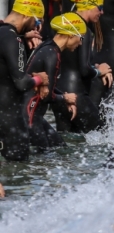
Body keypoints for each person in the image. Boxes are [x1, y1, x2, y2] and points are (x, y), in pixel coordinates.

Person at [23, 13, 86, 150]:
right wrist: (65, 98)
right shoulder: (53, 55)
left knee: (61, 148)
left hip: (31, 114)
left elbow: (49, 87)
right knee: (44, 157)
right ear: (70, 35)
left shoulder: (48, 46)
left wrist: (64, 96)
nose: (80, 43)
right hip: (29, 116)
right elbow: (46, 97)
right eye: (80, 38)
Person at [56, 0, 113, 133]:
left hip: (60, 95)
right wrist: (99, 71)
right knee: (101, 135)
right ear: (89, 6)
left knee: (65, 143)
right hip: (77, 94)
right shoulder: (83, 30)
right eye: (99, 8)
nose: (102, 12)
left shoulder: (65, 24)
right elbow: (83, 69)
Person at [0, 0, 49, 161]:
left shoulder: (4, 33)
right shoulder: (14, 40)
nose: (36, 29)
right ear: (27, 15)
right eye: (37, 23)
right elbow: (21, 83)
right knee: (18, 173)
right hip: (9, 119)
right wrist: (40, 79)